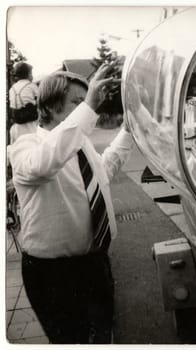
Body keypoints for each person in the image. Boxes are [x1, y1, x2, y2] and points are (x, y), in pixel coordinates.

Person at [7, 64, 133, 344]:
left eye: (86, 102)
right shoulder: (24, 147)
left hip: (95, 262)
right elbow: (43, 165)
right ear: (51, 107)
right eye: (78, 102)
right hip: (53, 275)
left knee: (103, 336)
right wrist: (90, 107)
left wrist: (129, 131)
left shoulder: (79, 144)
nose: (88, 109)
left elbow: (105, 170)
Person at [8, 61, 39, 144]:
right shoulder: (31, 86)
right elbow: (40, 99)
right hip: (30, 122)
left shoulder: (12, 88)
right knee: (33, 143)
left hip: (17, 123)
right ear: (28, 75)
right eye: (31, 73)